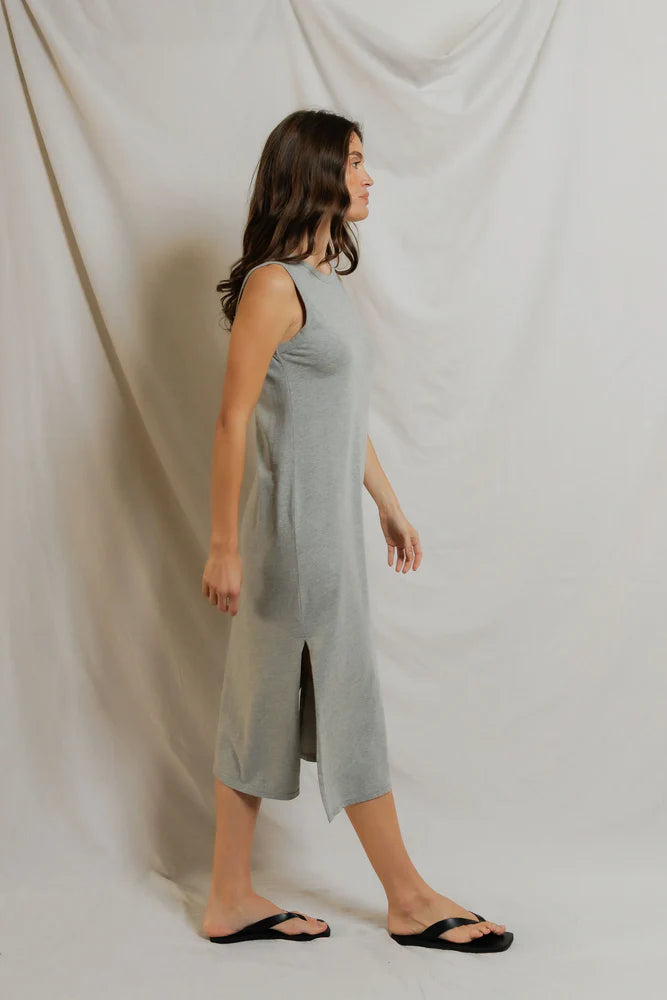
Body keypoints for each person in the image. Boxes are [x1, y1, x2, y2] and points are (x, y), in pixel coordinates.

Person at [200, 109, 512, 953]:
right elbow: (232, 422)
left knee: (257, 705)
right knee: (348, 704)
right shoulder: (274, 286)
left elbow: (339, 416)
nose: (370, 178)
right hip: (293, 540)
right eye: (356, 163)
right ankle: (407, 897)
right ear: (315, 174)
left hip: (326, 529)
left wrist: (387, 501)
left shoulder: (325, 283)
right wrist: (224, 545)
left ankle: (228, 896)